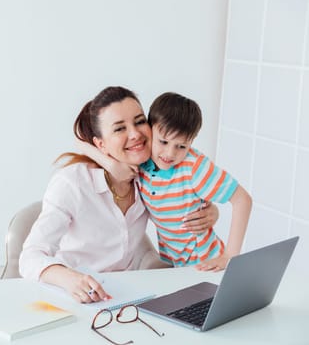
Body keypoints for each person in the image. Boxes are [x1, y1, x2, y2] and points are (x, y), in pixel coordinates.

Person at [18, 86, 219, 304]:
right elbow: (29, 258)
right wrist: (71, 279)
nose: (135, 134)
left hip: (125, 298)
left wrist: (210, 211)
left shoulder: (152, 178)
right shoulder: (72, 183)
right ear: (100, 144)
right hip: (72, 298)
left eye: (140, 121)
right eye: (119, 128)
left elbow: (182, 207)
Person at [80, 92, 252, 271]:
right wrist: (111, 165)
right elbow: (85, 145)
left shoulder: (194, 167)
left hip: (205, 263)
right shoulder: (143, 162)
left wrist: (230, 255)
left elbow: (242, 199)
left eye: (181, 146)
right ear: (150, 130)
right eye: (163, 142)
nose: (170, 154)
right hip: (174, 266)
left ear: (191, 142)